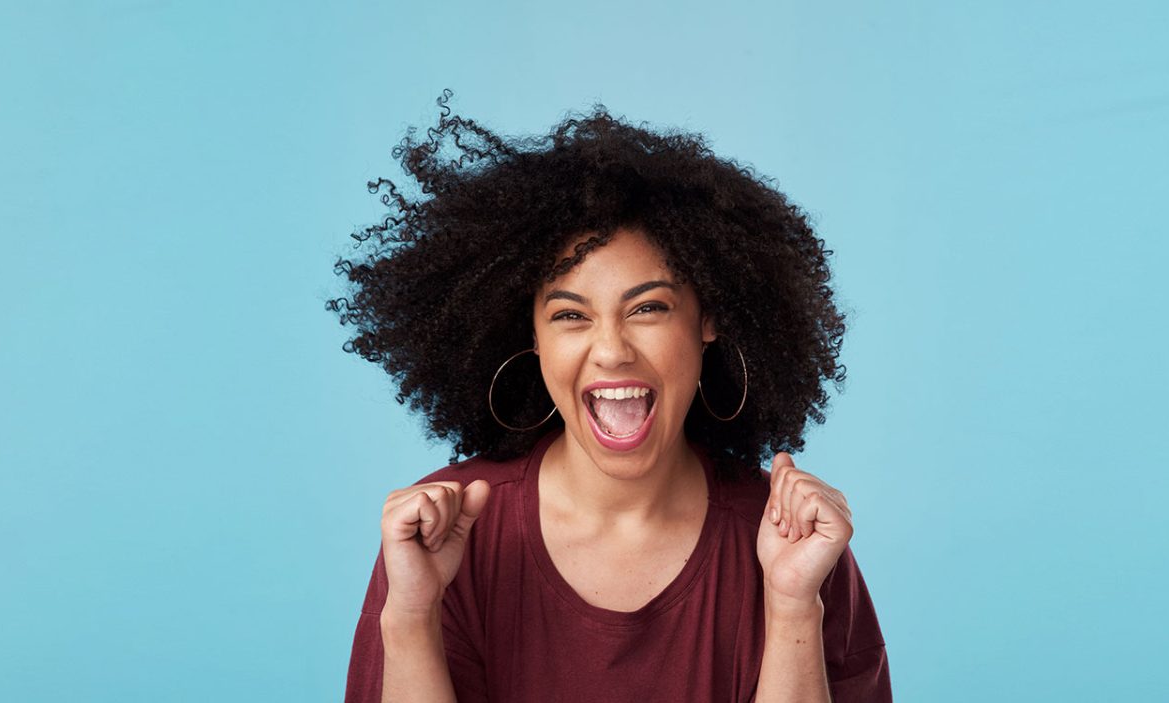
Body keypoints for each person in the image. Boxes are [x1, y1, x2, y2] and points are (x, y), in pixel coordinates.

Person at [325, 91, 891, 702]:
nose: (611, 349)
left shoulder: (790, 540)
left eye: (648, 307)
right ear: (532, 338)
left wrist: (791, 606)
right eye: (571, 315)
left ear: (710, 319)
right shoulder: (448, 534)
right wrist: (410, 616)